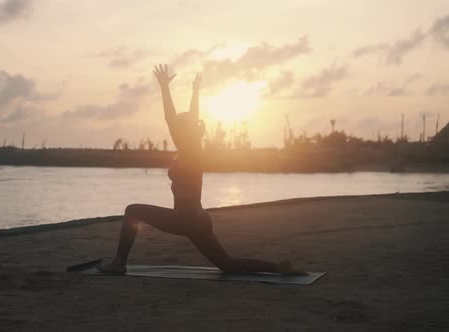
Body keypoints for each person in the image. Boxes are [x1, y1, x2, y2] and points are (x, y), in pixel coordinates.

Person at [98, 64, 305, 275]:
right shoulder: (194, 148)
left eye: (179, 125)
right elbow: (187, 118)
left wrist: (164, 88)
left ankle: (118, 263)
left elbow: (171, 117)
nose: (174, 126)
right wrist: (195, 92)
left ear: (184, 131)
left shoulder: (189, 150)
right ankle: (279, 268)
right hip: (198, 219)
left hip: (185, 219)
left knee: (133, 210)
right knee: (227, 265)